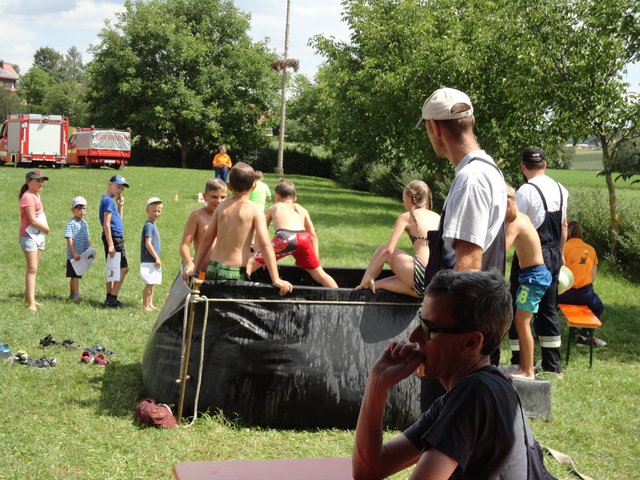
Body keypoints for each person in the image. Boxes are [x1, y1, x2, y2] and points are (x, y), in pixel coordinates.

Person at [352, 269, 531, 480]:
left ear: (471, 342)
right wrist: (378, 382)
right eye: (420, 321)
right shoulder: (474, 391)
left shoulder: (474, 393)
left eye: (428, 328)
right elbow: (368, 470)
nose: (414, 336)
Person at [416, 87, 507, 409]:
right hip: (470, 333)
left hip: (457, 343)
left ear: (434, 128)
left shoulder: (472, 178)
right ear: (471, 121)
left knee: (444, 426)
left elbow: (467, 265)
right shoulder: (486, 170)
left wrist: (436, 339)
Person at [187, 162, 293, 296]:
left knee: (214, 306)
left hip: (213, 268)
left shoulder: (222, 207)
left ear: (229, 186)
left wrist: (196, 269)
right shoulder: (255, 210)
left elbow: (207, 240)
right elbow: (266, 245)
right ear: (254, 186)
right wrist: (276, 279)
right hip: (235, 272)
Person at [509, 147, 568, 375]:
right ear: (545, 165)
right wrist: (561, 253)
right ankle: (552, 365)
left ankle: (519, 360)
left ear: (523, 167)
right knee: (548, 308)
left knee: (519, 307)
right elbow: (564, 226)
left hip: (531, 256)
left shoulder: (526, 190)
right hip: (554, 252)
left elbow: (515, 223)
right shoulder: (561, 189)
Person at [247, 179, 338, 288]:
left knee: (250, 264)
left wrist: (259, 253)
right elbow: (313, 236)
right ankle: (339, 294)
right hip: (303, 238)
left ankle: (235, 290)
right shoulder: (302, 209)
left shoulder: (275, 207)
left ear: (277, 196)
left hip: (285, 238)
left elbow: (261, 232)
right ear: (295, 198)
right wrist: (316, 259)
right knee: (319, 273)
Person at [356, 180, 440, 297]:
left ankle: (364, 282)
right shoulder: (438, 217)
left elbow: (388, 251)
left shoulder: (407, 217)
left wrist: (369, 276)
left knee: (384, 248)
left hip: (421, 276)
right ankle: (368, 285)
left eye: (403, 199)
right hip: (436, 281)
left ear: (410, 198)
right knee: (377, 285)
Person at [505, 186, 552, 379]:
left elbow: (502, 249)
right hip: (530, 275)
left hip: (534, 277)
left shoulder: (516, 224)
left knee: (522, 322)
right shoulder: (522, 218)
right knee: (521, 322)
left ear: (508, 203)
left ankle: (528, 370)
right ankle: (524, 368)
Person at [557, 220, 606, 347]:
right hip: (585, 296)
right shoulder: (591, 249)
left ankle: (548, 332)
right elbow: (593, 277)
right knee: (599, 307)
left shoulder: (563, 247)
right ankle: (584, 336)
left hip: (563, 294)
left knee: (547, 304)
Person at [180, 179, 227, 280]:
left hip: (223, 272)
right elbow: (184, 245)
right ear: (205, 197)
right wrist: (189, 263)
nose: (219, 201)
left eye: (223, 197)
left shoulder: (229, 217)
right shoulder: (197, 216)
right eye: (214, 197)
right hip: (202, 272)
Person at [19, 169, 50, 312]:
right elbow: (32, 220)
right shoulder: (27, 197)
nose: (41, 183)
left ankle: (30, 298)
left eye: (42, 181)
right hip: (29, 236)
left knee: (34, 268)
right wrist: (46, 229)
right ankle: (31, 303)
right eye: (38, 180)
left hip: (37, 235)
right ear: (28, 181)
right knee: (32, 269)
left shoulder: (36, 195)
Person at [100, 174, 129, 308]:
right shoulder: (108, 201)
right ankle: (112, 298)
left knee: (112, 267)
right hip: (114, 238)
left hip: (114, 236)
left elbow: (118, 221)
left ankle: (109, 298)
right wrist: (111, 244)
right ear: (109, 184)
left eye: (122, 189)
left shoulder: (109, 201)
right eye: (118, 187)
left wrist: (120, 206)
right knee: (124, 268)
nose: (119, 190)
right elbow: (106, 224)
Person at [65, 196, 90, 303]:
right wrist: (74, 253)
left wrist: (88, 248)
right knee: (74, 276)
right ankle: (76, 295)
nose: (82, 211)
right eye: (78, 208)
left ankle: (72, 294)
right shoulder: (71, 223)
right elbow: (69, 238)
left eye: (84, 208)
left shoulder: (84, 223)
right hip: (74, 256)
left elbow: (86, 237)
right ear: (72, 210)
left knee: (76, 275)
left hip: (81, 255)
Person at [141, 197, 163, 312]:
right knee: (149, 283)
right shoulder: (149, 225)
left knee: (152, 283)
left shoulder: (153, 224)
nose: (156, 213)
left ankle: (150, 304)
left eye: (159, 211)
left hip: (153, 260)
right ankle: (146, 305)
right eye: (154, 211)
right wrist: (156, 257)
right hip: (149, 259)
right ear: (147, 211)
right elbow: (148, 243)